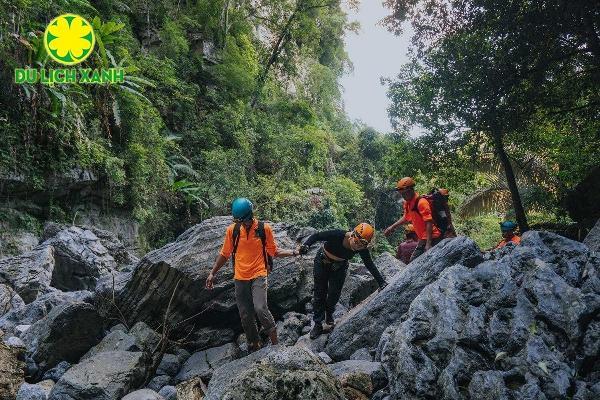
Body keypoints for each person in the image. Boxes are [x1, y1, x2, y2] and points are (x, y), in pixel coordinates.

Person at [205, 198, 297, 352]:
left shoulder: (263, 229)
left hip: (259, 273)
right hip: (240, 276)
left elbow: (274, 251)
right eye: (240, 221)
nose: (243, 224)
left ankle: (275, 343)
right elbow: (224, 254)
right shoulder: (232, 231)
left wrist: (293, 252)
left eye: (245, 221)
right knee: (245, 314)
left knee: (260, 308)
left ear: (250, 215)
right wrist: (212, 273)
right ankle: (254, 343)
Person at [299, 223, 388, 339]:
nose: (357, 246)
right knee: (320, 292)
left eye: (361, 245)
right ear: (352, 235)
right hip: (322, 261)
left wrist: (381, 282)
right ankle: (317, 324)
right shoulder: (338, 235)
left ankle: (329, 313)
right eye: (356, 242)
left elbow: (369, 264)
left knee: (334, 293)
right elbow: (317, 236)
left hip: (339, 266)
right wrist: (306, 245)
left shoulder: (362, 248)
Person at [384, 177, 443, 262]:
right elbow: (406, 218)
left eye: (404, 194)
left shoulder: (421, 202)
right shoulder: (407, 203)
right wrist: (392, 227)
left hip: (433, 237)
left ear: (411, 190)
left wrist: (428, 244)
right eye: (402, 194)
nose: (403, 196)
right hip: (422, 238)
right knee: (414, 261)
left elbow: (429, 222)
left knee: (419, 261)